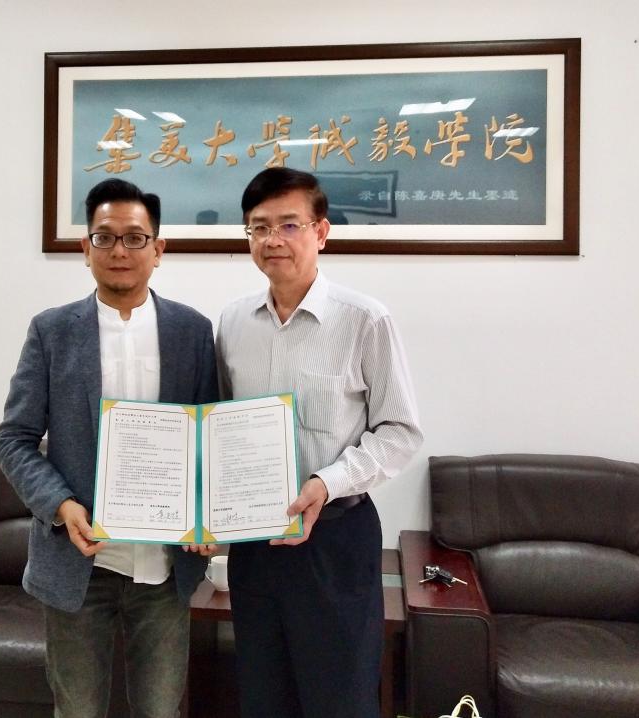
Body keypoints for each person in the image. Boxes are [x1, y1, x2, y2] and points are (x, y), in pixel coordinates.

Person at [0, 178, 218, 718]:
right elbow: (15, 439)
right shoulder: (51, 331)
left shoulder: (192, 331)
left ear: (158, 249)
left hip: (163, 569)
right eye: (105, 237)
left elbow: (210, 439)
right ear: (86, 248)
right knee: (77, 711)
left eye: (135, 238)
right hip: (79, 562)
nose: (120, 250)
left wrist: (208, 517)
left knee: (160, 711)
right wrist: (61, 506)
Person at [216, 167, 424, 718]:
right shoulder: (232, 322)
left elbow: (401, 431)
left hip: (334, 540)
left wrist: (325, 483)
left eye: (289, 224)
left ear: (321, 232)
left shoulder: (365, 320)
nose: (272, 240)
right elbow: (220, 425)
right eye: (259, 227)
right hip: (255, 545)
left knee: (340, 698)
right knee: (262, 695)